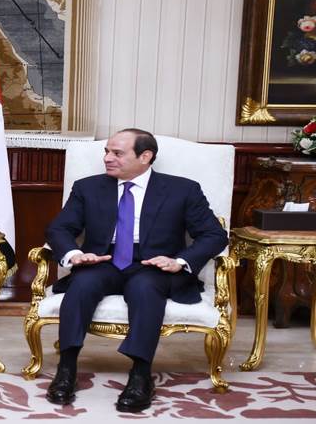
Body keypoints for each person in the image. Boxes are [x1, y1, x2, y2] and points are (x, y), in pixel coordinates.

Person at [44, 128, 227, 412]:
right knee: (82, 285)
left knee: (144, 289)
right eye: (106, 151)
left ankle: (141, 375)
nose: (107, 158)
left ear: (145, 156)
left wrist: (179, 261)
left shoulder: (182, 189)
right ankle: (66, 370)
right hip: (103, 260)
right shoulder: (87, 188)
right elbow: (59, 228)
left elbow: (214, 235)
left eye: (117, 153)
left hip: (154, 264)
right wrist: (76, 255)